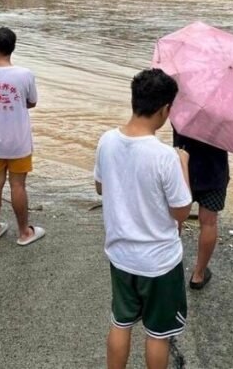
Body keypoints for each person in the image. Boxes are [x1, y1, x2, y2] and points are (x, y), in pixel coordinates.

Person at [94, 69, 192, 369]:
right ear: (165, 110)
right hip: (159, 262)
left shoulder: (107, 140)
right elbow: (182, 212)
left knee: (120, 323)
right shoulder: (164, 156)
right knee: (157, 335)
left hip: (121, 255)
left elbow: (100, 186)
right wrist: (183, 164)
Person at [0, 27, 43, 245]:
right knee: (18, 186)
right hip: (18, 141)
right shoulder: (25, 74)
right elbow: (31, 102)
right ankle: (24, 232)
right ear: (12, 48)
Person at [172, 129, 229, 290]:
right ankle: (198, 275)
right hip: (214, 172)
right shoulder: (226, 110)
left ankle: (168, 266)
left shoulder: (182, 106)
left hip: (183, 167)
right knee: (209, 222)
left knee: (176, 218)